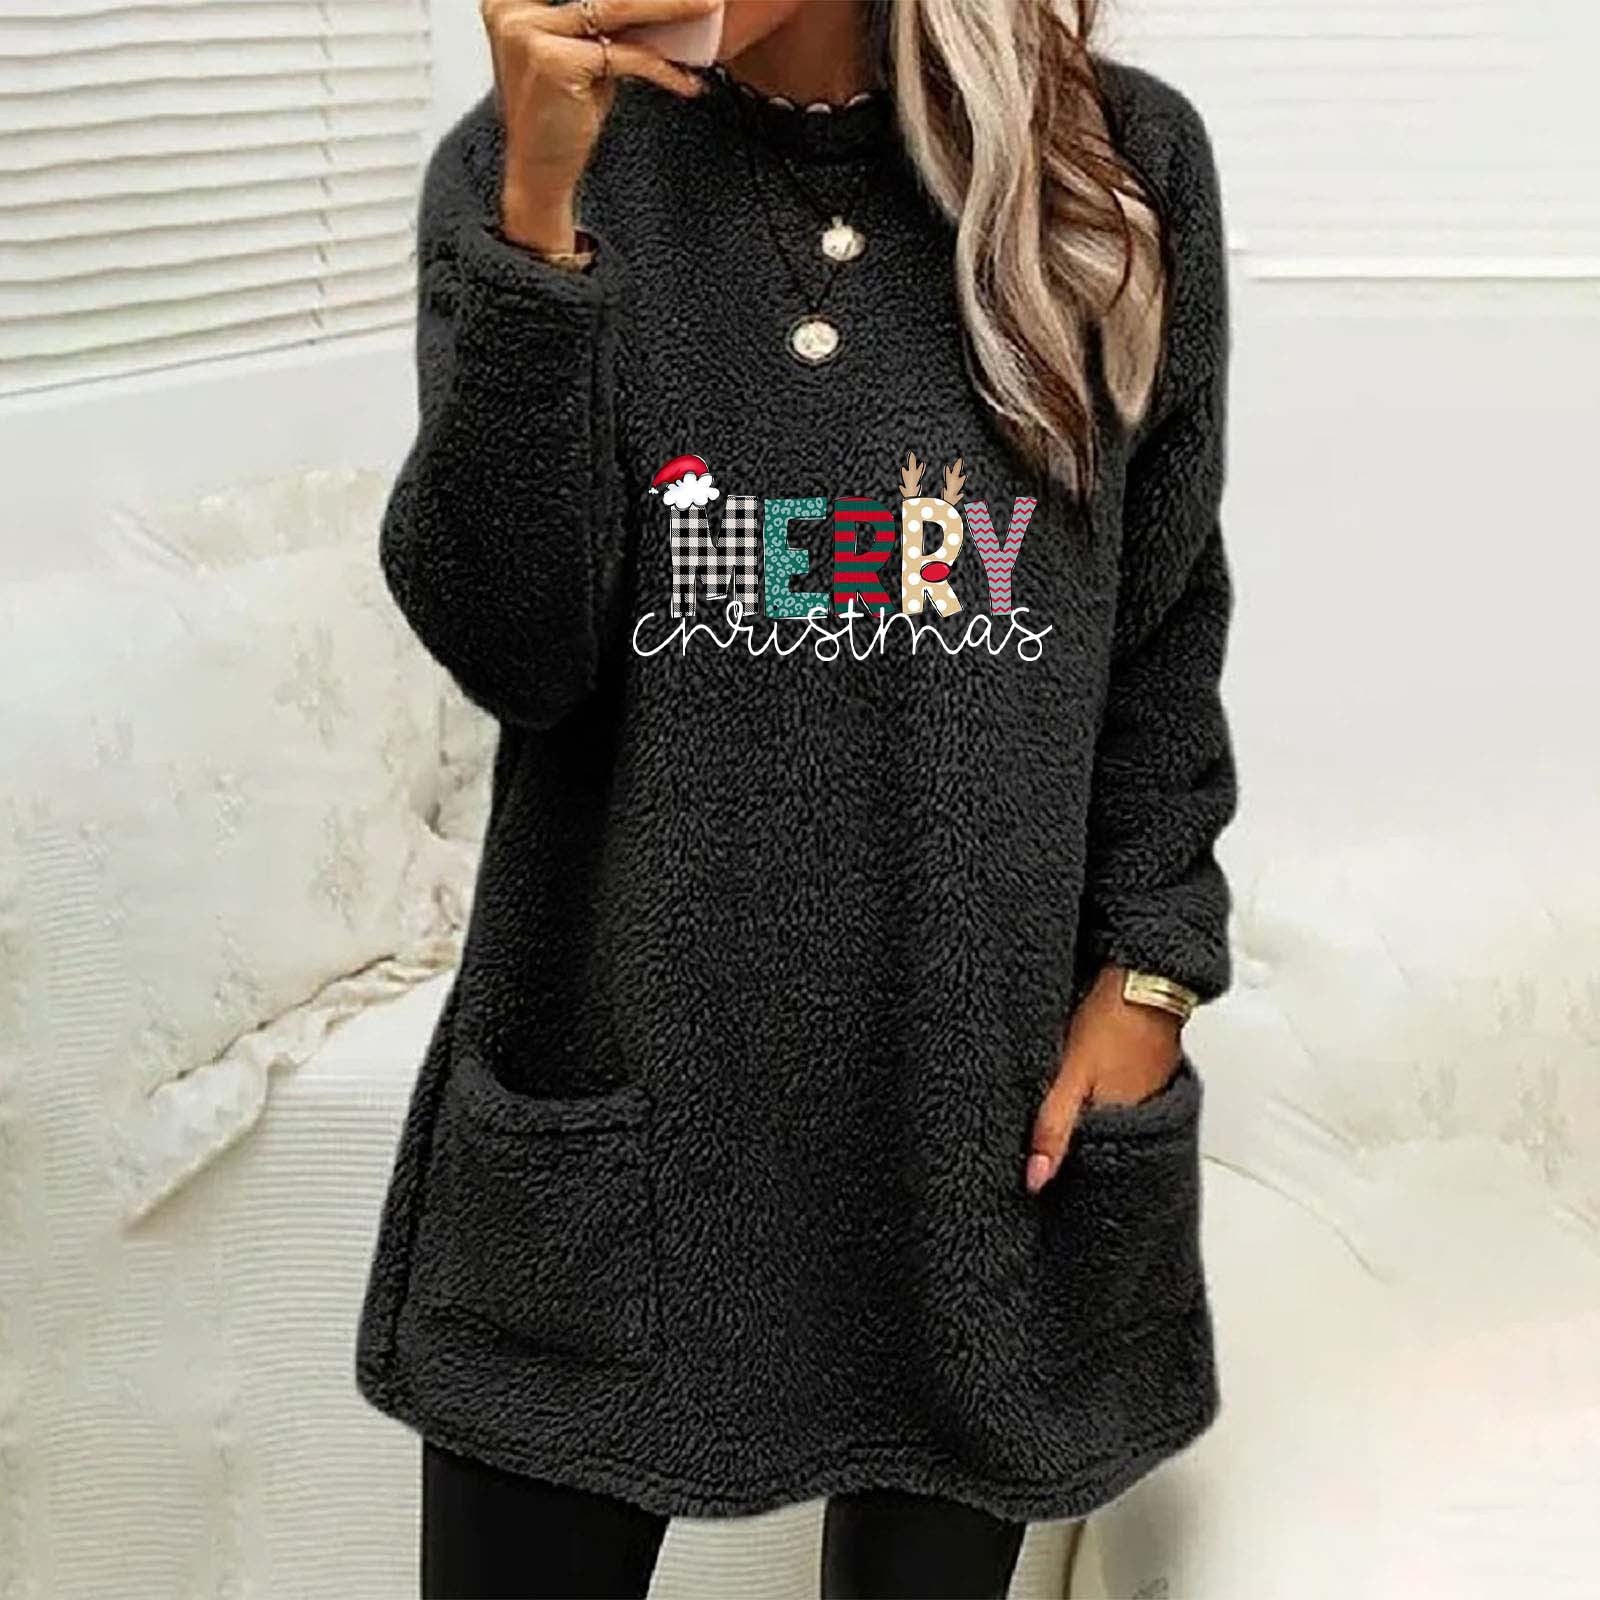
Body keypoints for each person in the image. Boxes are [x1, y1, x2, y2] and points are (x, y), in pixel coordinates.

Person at [355, 0, 1239, 1593]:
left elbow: (1162, 624)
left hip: (968, 1137)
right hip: (615, 1113)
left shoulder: (1113, 166)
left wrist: (1152, 972)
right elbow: (516, 649)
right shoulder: (520, 171)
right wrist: (541, 226)